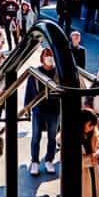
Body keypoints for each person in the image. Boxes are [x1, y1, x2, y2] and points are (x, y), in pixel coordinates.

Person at [25, 47, 60, 176]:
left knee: (52, 137)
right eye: (46, 55)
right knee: (36, 136)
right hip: (38, 109)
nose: (49, 58)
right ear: (42, 58)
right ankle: (34, 162)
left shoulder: (58, 72)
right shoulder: (36, 73)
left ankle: (49, 160)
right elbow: (29, 91)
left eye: (51, 55)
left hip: (54, 109)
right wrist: (27, 107)